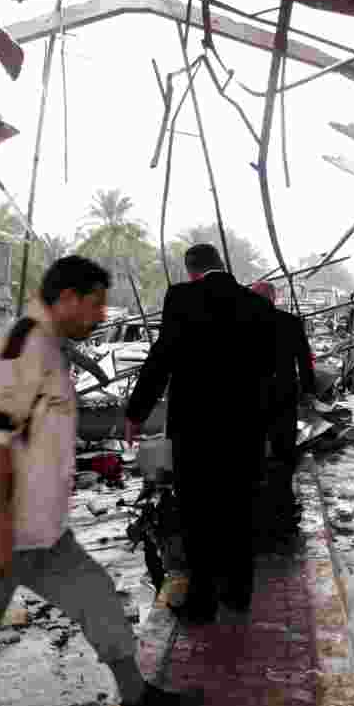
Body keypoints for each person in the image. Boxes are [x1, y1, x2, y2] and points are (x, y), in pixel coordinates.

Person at [0, 257, 204, 706]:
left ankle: (139, 702)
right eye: (95, 304)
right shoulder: (20, 351)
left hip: (40, 536)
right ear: (66, 300)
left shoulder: (49, 348)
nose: (102, 315)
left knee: (100, 601)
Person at [124, 244, 277, 624]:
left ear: (192, 271)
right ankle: (239, 594)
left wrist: (136, 412)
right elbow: (270, 371)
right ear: (221, 266)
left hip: (197, 430)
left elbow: (162, 358)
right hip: (245, 430)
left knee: (199, 514)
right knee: (239, 510)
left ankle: (203, 601)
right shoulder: (256, 305)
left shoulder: (182, 298)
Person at [250, 281, 316, 549]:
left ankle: (257, 510)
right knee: (284, 452)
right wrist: (309, 391)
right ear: (273, 298)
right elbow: (304, 359)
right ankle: (283, 507)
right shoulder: (289, 322)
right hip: (283, 398)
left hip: (251, 401)